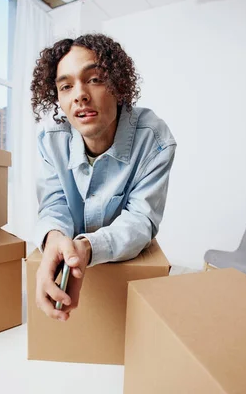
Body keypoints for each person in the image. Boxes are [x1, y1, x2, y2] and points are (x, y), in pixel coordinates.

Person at [30, 34, 176, 322]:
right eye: (66, 86)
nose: (79, 95)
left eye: (95, 79)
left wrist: (85, 248)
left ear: (119, 85)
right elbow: (53, 203)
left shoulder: (156, 141)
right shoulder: (50, 139)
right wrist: (55, 239)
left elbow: (141, 219)